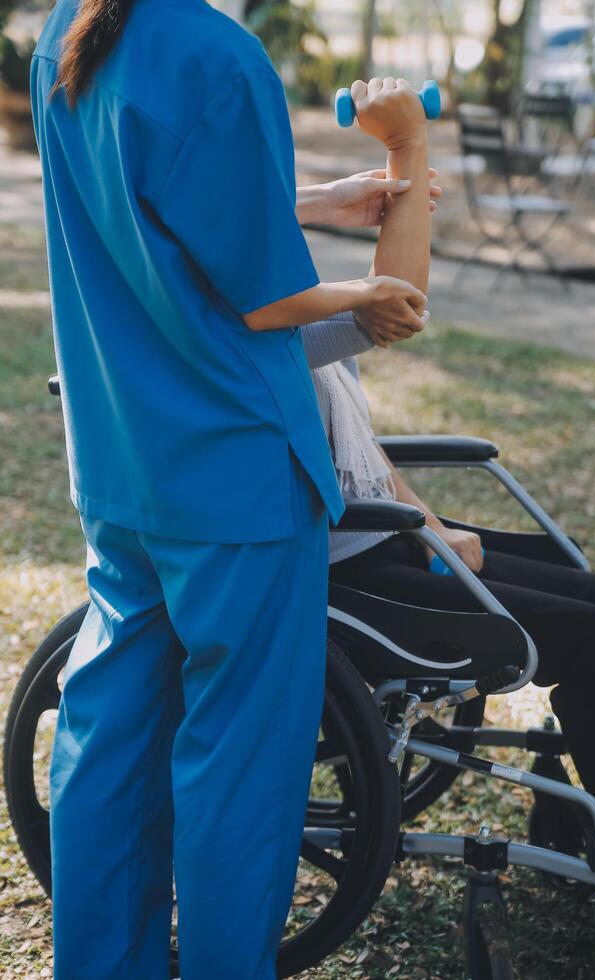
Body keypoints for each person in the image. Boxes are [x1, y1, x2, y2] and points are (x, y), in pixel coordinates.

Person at [30, 0, 435, 974]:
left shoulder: (72, 27)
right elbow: (269, 302)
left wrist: (308, 200)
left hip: (127, 466)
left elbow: (142, 201)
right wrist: (356, 294)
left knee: (112, 742)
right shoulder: (219, 54)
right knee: (240, 769)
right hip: (236, 478)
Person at [307, 80, 595, 931]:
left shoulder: (293, 297)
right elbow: (401, 304)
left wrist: (431, 523)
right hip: (336, 565)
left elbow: (359, 444)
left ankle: (583, 829)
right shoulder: (270, 314)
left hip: (381, 534)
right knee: (591, 636)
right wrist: (406, 150)